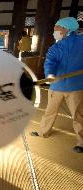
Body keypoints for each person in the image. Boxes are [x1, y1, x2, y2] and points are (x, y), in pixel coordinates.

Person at [30, 17, 83, 153]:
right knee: (49, 111)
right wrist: (50, 73)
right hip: (57, 85)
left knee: (78, 115)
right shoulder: (56, 46)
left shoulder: (81, 42)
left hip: (76, 86)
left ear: (66, 29)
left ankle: (81, 142)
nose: (54, 31)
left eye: (57, 28)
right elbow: (50, 61)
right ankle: (43, 132)